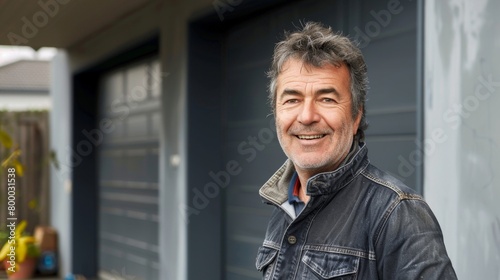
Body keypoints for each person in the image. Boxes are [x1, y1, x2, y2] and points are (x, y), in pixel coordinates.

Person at [255, 22, 457, 279]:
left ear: (356, 116)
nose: (306, 116)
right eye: (292, 99)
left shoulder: (397, 213)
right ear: (276, 114)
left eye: (327, 99)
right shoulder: (284, 205)